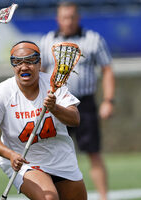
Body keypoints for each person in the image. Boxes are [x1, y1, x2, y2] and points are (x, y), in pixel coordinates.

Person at [0, 41, 87, 200]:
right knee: (49, 198)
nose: (24, 66)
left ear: (39, 62)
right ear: (12, 65)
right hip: (24, 161)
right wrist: (11, 155)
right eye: (17, 62)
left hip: (60, 157)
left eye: (30, 61)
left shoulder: (53, 84)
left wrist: (55, 108)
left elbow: (75, 119)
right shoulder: (0, 93)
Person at [39, 2, 115, 200]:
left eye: (72, 17)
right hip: (57, 105)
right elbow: (39, 74)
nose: (69, 21)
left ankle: (104, 197)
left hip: (85, 104)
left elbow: (107, 70)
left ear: (78, 18)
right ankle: (50, 194)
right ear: (58, 19)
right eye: (65, 17)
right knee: (51, 153)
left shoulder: (93, 39)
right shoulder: (47, 41)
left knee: (93, 152)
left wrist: (108, 100)